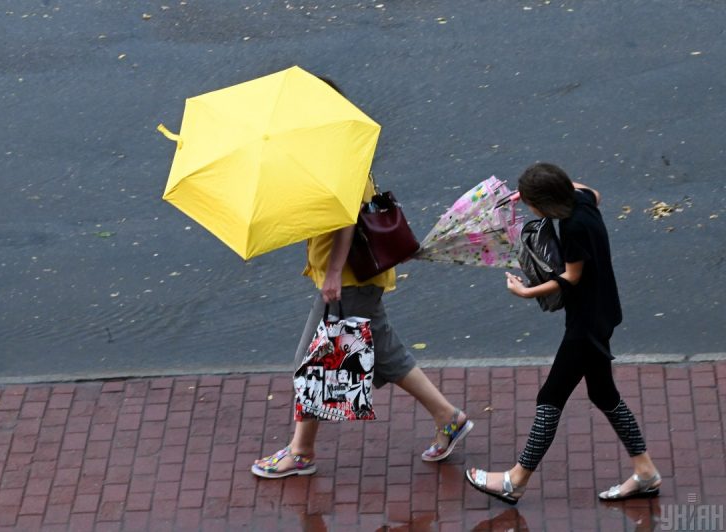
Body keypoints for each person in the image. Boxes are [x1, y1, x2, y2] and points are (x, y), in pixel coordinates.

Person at [251, 78, 474, 479]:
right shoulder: (335, 146)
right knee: (384, 354)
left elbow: (346, 219)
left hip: (350, 278)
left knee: (312, 362)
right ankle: (449, 417)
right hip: (356, 277)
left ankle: (301, 452)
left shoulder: (336, 154)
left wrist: (334, 273)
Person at [466, 162, 661, 503]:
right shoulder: (582, 201)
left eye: (529, 202)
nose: (527, 207)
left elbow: (571, 277)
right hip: (604, 311)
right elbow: (591, 191)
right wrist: (547, 186)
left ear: (545, 203)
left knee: (550, 398)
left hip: (585, 325)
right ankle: (646, 473)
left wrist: (525, 292)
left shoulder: (572, 228)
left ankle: (515, 481)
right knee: (603, 395)